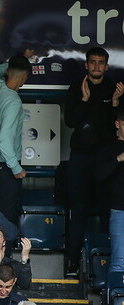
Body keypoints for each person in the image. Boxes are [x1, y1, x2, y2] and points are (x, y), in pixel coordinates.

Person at [64, 47, 123, 276]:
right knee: (78, 212)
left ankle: (105, 267)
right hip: (80, 158)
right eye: (93, 62)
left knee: (107, 212)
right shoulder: (77, 87)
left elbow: (116, 127)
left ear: (107, 66)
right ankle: (73, 264)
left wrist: (116, 103)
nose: (97, 66)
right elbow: (70, 121)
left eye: (101, 63)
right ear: (86, 65)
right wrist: (85, 100)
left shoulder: (113, 88)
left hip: (106, 159)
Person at [0, 54, 33, 225]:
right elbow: (4, 140)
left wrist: (10, 62)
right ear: (25, 77)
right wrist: (16, 167)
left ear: (7, 71)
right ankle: (3, 252)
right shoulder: (13, 102)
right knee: (6, 218)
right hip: (6, 167)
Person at [96, 109, 124, 275]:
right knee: (119, 261)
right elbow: (99, 175)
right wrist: (119, 158)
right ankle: (116, 301)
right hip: (119, 209)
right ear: (117, 124)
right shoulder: (109, 149)